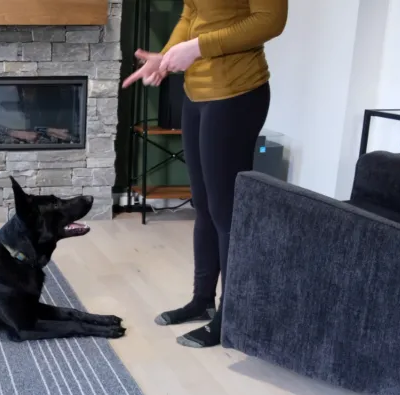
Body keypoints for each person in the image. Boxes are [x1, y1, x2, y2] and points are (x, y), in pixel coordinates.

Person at [123, 0, 288, 348]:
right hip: (196, 94)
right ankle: (202, 301)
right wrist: (167, 57)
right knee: (203, 204)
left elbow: (269, 21)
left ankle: (232, 316)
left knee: (225, 211)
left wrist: (197, 47)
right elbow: (191, 13)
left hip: (236, 93)